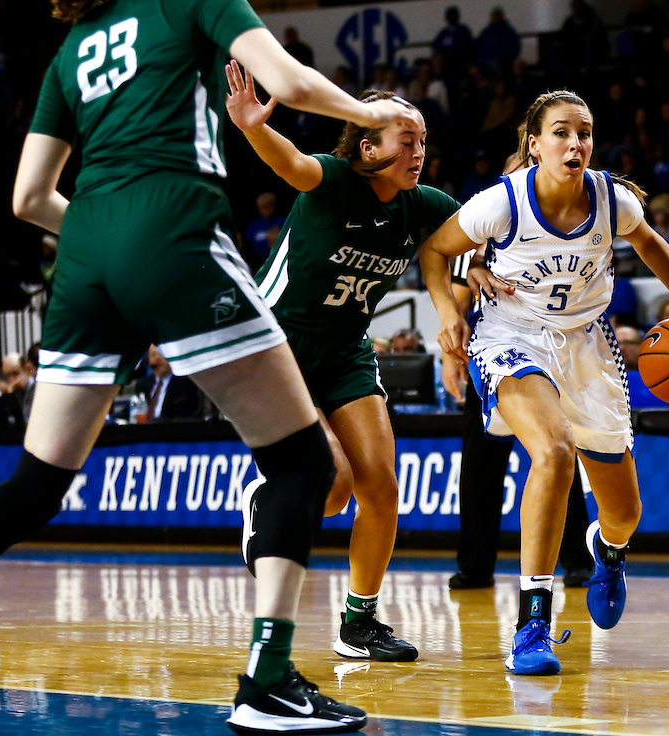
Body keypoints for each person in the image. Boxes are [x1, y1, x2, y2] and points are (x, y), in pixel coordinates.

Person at [0, 0, 421, 736]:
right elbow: (291, 81)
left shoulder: (70, 49)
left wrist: (105, 237)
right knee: (303, 464)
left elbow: (26, 199)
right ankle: (267, 683)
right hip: (171, 224)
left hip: (83, 253)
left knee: (33, 485)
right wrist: (366, 116)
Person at [421, 90, 669, 675]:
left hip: (587, 343)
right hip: (513, 336)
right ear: (534, 144)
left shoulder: (610, 200)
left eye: (583, 132)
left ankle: (607, 552)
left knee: (625, 513)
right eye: (560, 132)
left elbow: (653, 245)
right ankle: (533, 620)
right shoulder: (501, 203)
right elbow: (436, 250)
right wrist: (449, 314)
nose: (575, 142)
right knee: (552, 452)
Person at [226, 65, 456, 664]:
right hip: (277, 346)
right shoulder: (331, 179)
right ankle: (262, 499)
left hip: (347, 348)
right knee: (332, 487)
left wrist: (475, 267)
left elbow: (470, 233)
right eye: (406, 139)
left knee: (382, 486)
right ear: (367, 145)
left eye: (423, 141)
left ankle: (359, 625)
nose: (418, 151)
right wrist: (254, 127)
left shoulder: (421, 204)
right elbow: (291, 164)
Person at [444, 252, 595, 589]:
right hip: (491, 350)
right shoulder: (484, 219)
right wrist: (450, 355)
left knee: (555, 455)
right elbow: (457, 290)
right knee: (479, 467)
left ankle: (577, 560)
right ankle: (475, 566)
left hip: (548, 348)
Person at [135, 345, 201, 420]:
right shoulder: (142, 384)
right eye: (153, 355)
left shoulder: (186, 383)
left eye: (161, 355)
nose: (157, 359)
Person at [244, 192, 285, 265]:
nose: (265, 210)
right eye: (262, 207)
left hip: (279, 257)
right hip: (258, 260)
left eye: (267, 206)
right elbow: (248, 244)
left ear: (273, 206)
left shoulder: (283, 222)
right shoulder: (254, 225)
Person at [1, 352, 37, 418]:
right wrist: (10, 396)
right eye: (8, 375)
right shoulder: (13, 391)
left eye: (15, 373)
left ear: (26, 369)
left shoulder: (36, 389)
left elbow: (27, 417)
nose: (12, 379)